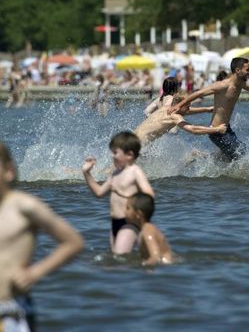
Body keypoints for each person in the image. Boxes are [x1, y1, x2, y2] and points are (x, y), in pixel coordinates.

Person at [0, 143, 84, 331]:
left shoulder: (24, 206)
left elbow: (73, 242)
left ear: (8, 171)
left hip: (10, 311)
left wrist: (35, 273)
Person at [168, 57, 249, 161]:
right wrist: (178, 106)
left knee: (237, 153)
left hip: (226, 129)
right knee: (239, 156)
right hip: (216, 130)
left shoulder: (240, 84)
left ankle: (198, 155)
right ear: (238, 71)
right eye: (247, 70)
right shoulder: (222, 85)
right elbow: (198, 94)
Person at [82, 131, 155, 254]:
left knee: (119, 257)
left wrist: (127, 197)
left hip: (129, 223)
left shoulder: (135, 171)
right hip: (114, 223)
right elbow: (99, 193)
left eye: (115, 153)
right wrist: (87, 173)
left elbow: (149, 194)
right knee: (117, 260)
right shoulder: (115, 174)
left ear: (129, 155)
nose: (112, 156)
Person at [134, 96, 226, 146]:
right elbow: (193, 130)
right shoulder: (175, 116)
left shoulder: (166, 107)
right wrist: (217, 129)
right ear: (180, 106)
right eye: (188, 106)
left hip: (131, 139)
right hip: (138, 147)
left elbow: (186, 111)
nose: (189, 108)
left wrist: (207, 109)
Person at [125, 193, 173, 266]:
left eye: (128, 208)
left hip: (164, 269)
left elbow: (156, 258)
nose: (124, 212)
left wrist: (138, 266)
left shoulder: (147, 232)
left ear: (138, 214)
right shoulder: (147, 229)